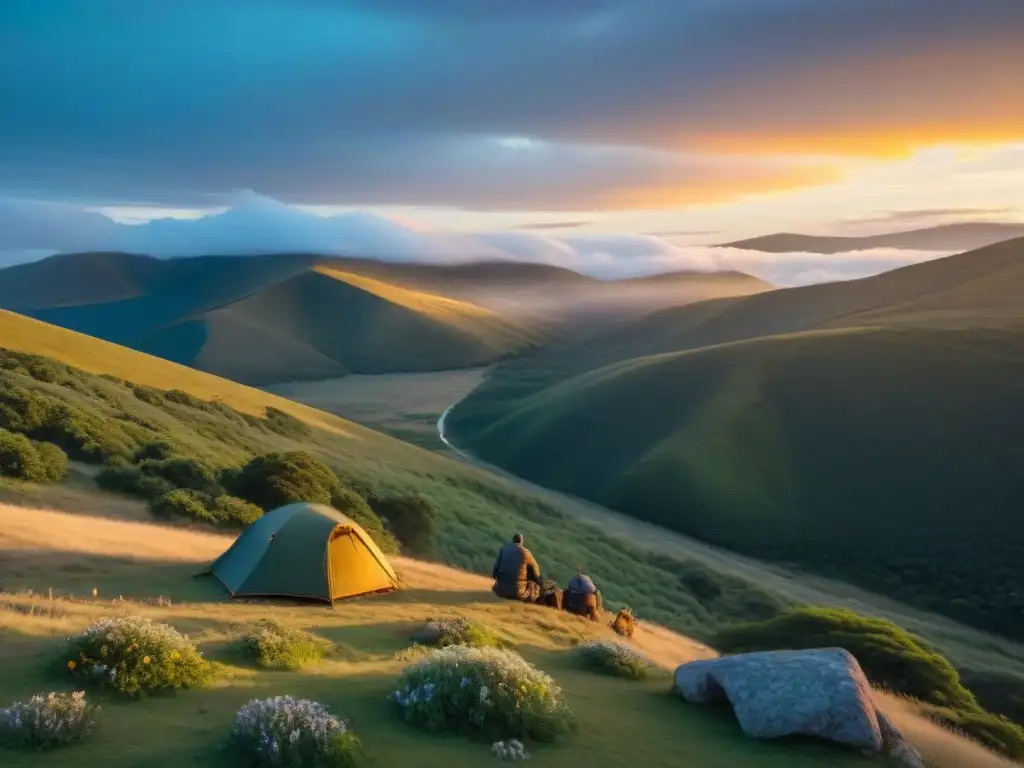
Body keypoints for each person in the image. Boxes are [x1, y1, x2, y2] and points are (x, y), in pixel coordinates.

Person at [492, 533, 542, 602]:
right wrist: (540, 583)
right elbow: (536, 573)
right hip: (518, 593)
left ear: (513, 540)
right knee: (534, 586)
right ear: (521, 541)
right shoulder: (526, 552)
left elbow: (495, 570)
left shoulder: (503, 549)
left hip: (501, 591)